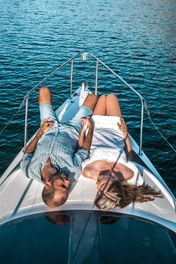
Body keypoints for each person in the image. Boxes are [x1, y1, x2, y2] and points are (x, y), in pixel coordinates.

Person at [82, 94, 162, 210]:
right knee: (111, 97)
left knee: (103, 98)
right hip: (116, 131)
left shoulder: (89, 171)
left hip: (95, 129)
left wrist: (85, 129)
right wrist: (125, 133)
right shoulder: (128, 173)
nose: (97, 184)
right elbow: (129, 155)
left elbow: (83, 149)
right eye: (102, 186)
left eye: (98, 190)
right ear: (115, 187)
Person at [21, 87, 97, 207]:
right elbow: (84, 150)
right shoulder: (73, 171)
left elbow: (27, 153)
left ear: (47, 185)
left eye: (62, 185)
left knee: (44, 91)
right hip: (73, 129)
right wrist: (90, 127)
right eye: (68, 187)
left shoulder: (29, 170)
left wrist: (41, 132)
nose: (68, 182)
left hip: (49, 128)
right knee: (93, 98)